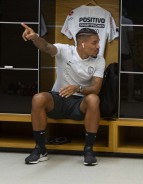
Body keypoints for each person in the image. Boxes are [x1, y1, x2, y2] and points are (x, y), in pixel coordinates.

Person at [21, 23, 105, 166]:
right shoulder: (65, 50)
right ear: (82, 43)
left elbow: (96, 88)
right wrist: (35, 37)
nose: (98, 46)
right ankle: (40, 149)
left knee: (93, 99)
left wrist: (77, 88)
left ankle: (88, 150)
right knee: (38, 98)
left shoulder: (99, 60)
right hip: (59, 99)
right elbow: (47, 47)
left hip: (79, 105)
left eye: (98, 42)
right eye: (95, 42)